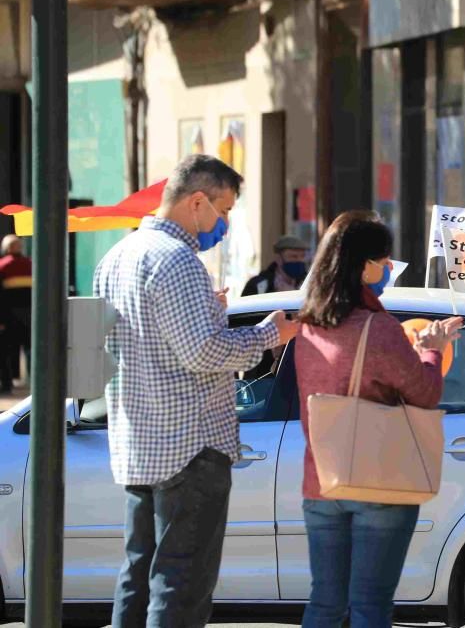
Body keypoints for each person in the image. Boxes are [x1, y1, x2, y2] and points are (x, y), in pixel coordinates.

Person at [93, 154, 300, 628]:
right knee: (181, 582)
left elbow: (138, 342)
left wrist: (210, 313)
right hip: (190, 443)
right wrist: (270, 334)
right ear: (198, 201)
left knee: (139, 574)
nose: (224, 223)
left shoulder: (116, 257)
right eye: (224, 211)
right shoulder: (177, 260)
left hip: (139, 440)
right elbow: (203, 353)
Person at [295, 210, 461, 628]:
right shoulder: (379, 327)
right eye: (383, 260)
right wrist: (432, 349)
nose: (388, 268)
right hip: (379, 480)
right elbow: (425, 392)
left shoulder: (309, 325)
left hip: (321, 479)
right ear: (361, 264)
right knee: (370, 605)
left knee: (325, 604)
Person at [0, 234, 31, 394]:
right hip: (31, 316)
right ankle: (36, 384)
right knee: (32, 350)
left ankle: (7, 385)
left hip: (9, 317)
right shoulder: (31, 265)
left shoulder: (2, 266)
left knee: (4, 351)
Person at [241, 234, 309, 295]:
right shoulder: (259, 285)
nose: (299, 260)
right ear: (279, 259)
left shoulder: (308, 283)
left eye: (302, 256)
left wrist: (293, 295)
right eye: (293, 256)